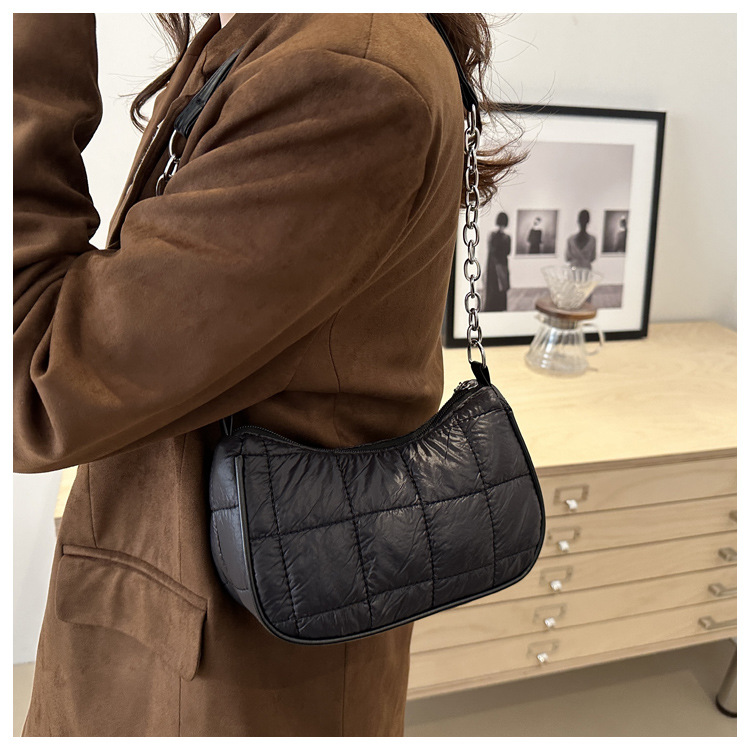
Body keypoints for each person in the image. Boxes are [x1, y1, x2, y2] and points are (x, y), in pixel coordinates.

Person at [13, 13, 525, 737]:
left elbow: (34, 386)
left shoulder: (341, 71)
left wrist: (34, 32)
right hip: (195, 639)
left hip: (221, 683)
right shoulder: (292, 39)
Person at [484, 211, 512, 311]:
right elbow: (507, 252)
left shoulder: (493, 235)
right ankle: (500, 307)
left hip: (494, 265)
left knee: (495, 287)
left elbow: (492, 251)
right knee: (500, 287)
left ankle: (492, 307)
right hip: (500, 265)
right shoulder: (506, 238)